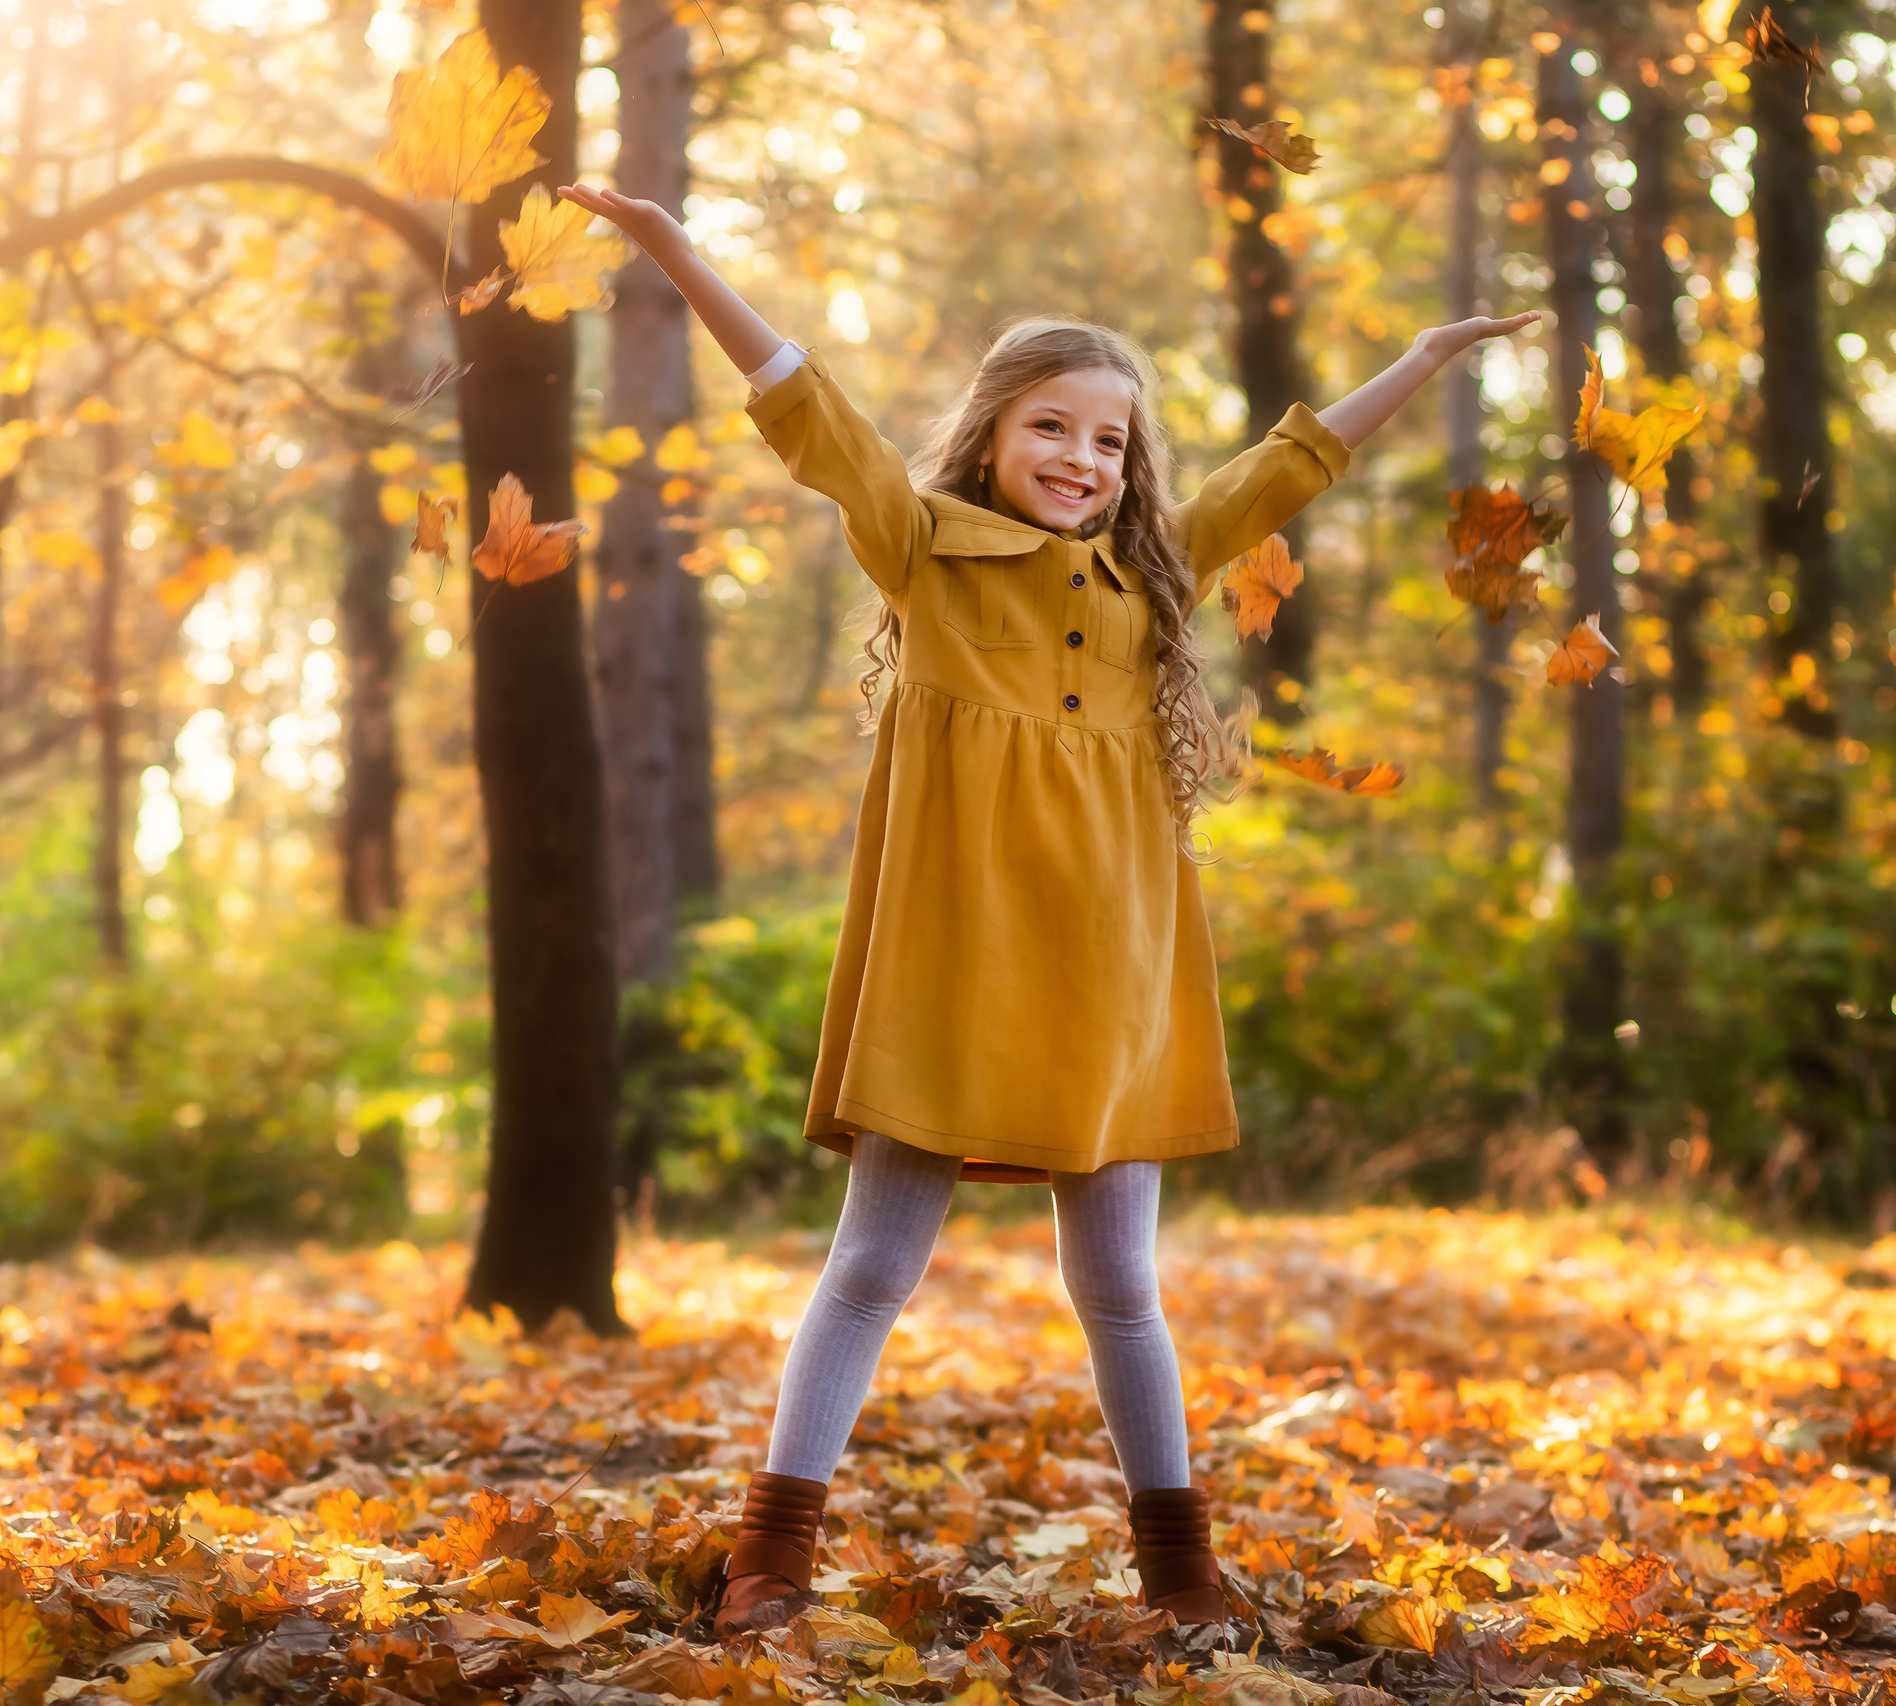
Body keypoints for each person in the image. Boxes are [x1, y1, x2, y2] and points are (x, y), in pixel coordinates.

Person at [559, 183, 1536, 1640]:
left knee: (1120, 1282)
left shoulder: (1156, 578)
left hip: (1108, 977)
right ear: (994, 433)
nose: (1081, 457)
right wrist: (670, 245)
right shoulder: (926, 551)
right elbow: (796, 397)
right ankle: (771, 1550)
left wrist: (1429, 356)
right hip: (953, 964)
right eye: (1051, 427)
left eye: (1107, 437)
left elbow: (1296, 464)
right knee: (874, 1263)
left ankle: (1183, 1570)